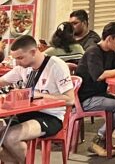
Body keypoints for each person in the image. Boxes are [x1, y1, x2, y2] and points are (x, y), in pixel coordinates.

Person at [0, 35, 75, 164]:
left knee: (10, 138)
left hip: (51, 116)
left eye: (20, 58)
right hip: (26, 113)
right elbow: (2, 81)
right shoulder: (23, 67)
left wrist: (41, 95)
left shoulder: (56, 65)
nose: (17, 62)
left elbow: (70, 100)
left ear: (33, 52)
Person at [76, 22, 115, 156]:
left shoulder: (110, 52)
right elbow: (99, 75)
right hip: (86, 99)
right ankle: (99, 140)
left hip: (100, 95)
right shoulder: (93, 51)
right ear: (109, 38)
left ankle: (104, 140)